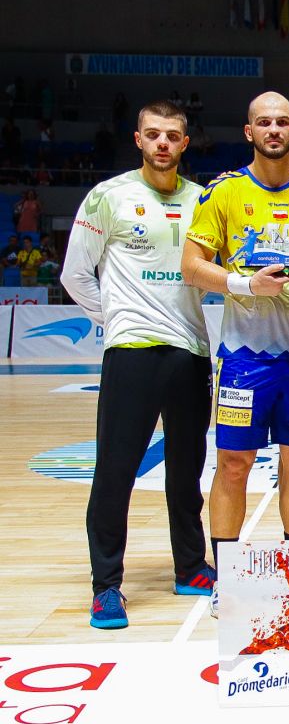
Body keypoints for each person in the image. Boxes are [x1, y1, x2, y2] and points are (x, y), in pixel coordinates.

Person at [183, 91, 289, 615]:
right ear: (249, 131)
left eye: (282, 122)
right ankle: (228, 578)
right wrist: (243, 283)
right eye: (264, 122)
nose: (274, 130)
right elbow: (192, 265)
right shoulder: (223, 193)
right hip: (245, 357)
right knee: (233, 464)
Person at [61, 99, 214, 629]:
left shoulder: (202, 199)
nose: (163, 143)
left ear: (185, 142)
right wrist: (117, 317)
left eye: (172, 135)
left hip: (191, 351)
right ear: (138, 139)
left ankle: (190, 567)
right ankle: (106, 586)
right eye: (153, 134)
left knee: (187, 471)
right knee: (116, 472)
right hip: (131, 352)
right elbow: (75, 274)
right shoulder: (109, 196)